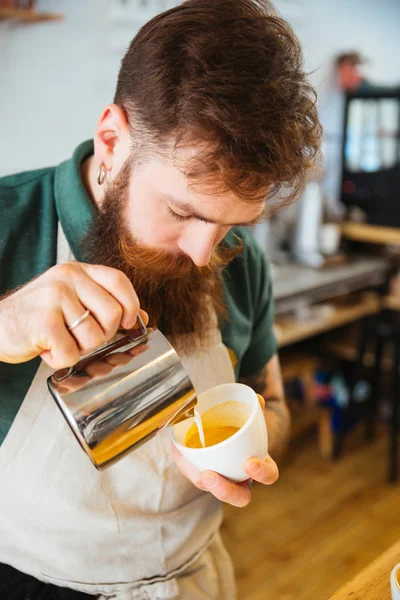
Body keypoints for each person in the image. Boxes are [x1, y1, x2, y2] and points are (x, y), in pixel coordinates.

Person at [0, 0, 321, 598]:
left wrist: (249, 446)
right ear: (112, 139)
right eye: (181, 212)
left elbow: (271, 399)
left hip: (195, 580)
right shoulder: (8, 222)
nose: (205, 254)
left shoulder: (240, 260)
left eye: (230, 224)